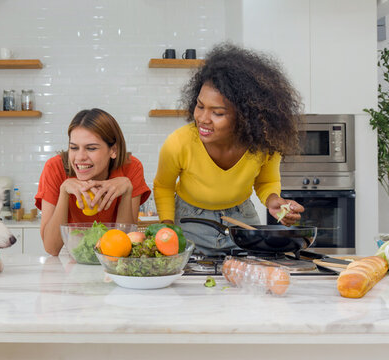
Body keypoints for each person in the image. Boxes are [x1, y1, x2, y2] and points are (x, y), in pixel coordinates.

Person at [153, 43, 305, 255]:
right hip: (189, 220)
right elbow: (164, 186)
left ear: (245, 117)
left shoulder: (264, 145)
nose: (203, 119)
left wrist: (273, 200)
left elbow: (266, 181)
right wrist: (167, 225)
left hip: (241, 221)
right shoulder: (179, 142)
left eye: (218, 113)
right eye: (200, 105)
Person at [36, 108, 151, 256]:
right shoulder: (55, 168)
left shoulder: (131, 168)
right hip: (73, 256)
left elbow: (125, 245)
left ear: (113, 150)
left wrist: (127, 191)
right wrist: (64, 192)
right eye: (74, 148)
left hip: (113, 258)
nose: (80, 157)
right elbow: (51, 248)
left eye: (91, 148)